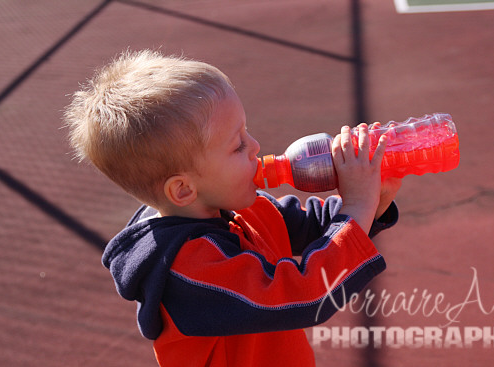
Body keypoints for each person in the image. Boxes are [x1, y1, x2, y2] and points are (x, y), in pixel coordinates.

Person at [64, 49, 401, 367]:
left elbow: (315, 226)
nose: (255, 146)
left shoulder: (240, 208)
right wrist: (357, 205)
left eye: (246, 132)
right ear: (183, 189)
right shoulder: (189, 270)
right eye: (237, 145)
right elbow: (307, 294)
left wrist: (374, 201)